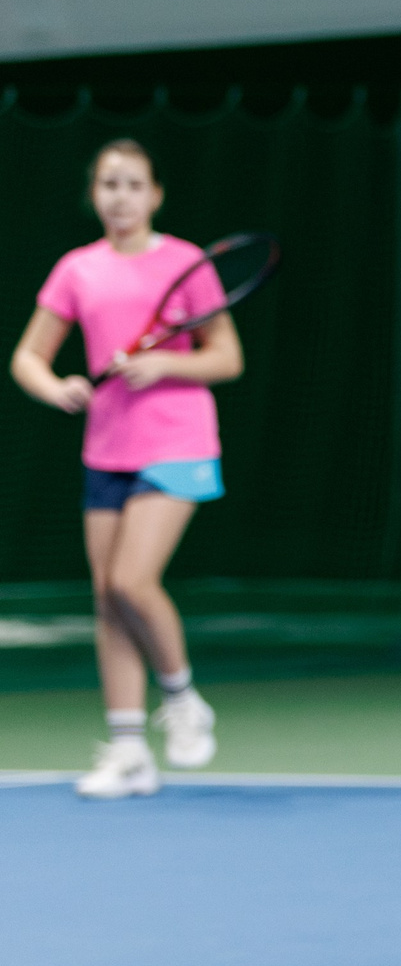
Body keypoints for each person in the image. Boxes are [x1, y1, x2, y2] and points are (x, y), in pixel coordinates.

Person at [10, 139, 241, 799]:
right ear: (95, 194)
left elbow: (226, 357)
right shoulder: (77, 270)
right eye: (109, 184)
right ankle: (129, 750)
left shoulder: (189, 263)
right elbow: (29, 356)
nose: (120, 196)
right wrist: (54, 386)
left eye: (134, 184)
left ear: (155, 194)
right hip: (107, 447)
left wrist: (167, 362)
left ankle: (183, 698)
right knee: (107, 599)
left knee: (132, 581)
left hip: (179, 442)